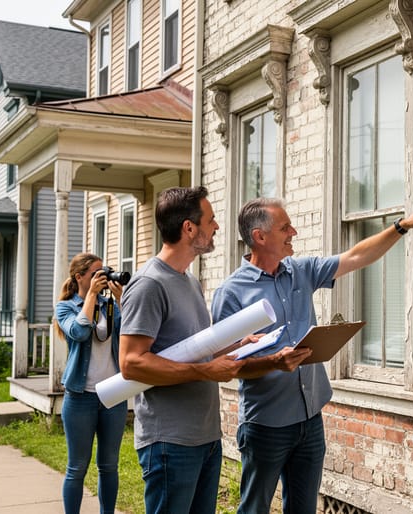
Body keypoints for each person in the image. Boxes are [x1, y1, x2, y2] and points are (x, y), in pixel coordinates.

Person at [211, 197, 413, 514]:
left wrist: (401, 226)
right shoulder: (231, 293)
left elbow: (357, 257)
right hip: (266, 425)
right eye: (284, 227)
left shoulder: (300, 271)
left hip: (310, 419)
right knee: (255, 508)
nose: (293, 231)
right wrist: (273, 363)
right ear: (259, 237)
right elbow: (226, 366)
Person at [118, 186, 294, 514]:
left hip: (206, 438)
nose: (215, 227)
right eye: (210, 220)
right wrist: (204, 371)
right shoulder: (148, 285)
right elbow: (131, 363)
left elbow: (196, 349)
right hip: (169, 442)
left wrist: (241, 343)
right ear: (189, 228)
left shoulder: (188, 281)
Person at [55, 252, 127, 514]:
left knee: (109, 465)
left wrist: (120, 299)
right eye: (97, 273)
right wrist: (91, 298)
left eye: (104, 272)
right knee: (77, 468)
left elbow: (131, 329)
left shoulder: (110, 305)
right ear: (80, 277)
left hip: (113, 395)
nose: (103, 277)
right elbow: (78, 331)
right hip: (80, 397)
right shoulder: (66, 307)